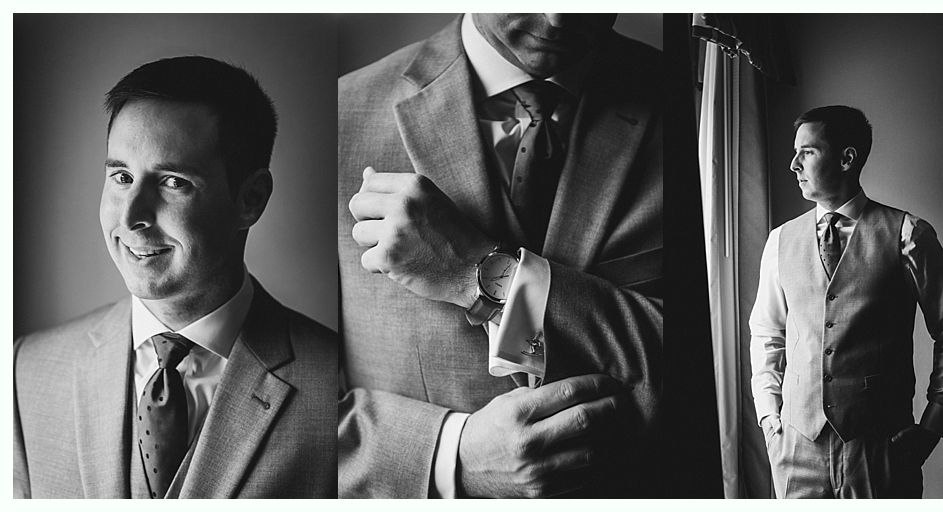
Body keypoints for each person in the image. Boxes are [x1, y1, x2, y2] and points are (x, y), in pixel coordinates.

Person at [338, 14, 664, 498]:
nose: (558, 17)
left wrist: (476, 273)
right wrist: (449, 454)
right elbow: (297, 401)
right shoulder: (342, 109)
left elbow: (718, 362)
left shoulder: (689, 100)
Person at [13, 56, 336, 498]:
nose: (131, 217)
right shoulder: (25, 371)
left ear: (251, 199)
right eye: (122, 176)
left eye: (172, 183)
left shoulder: (335, 381)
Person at [749, 105, 943, 498]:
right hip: (796, 449)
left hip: (879, 451)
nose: (793, 164)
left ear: (847, 158)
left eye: (808, 152)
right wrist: (770, 420)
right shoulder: (780, 241)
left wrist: (932, 427)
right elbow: (767, 334)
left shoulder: (908, 235)